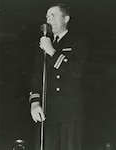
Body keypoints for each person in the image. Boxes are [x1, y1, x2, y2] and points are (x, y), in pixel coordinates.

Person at [29, 3, 88, 150]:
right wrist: (35, 102)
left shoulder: (79, 42)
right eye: (47, 17)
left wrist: (52, 52)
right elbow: (36, 75)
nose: (49, 20)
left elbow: (77, 71)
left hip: (71, 114)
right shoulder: (43, 44)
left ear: (66, 18)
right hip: (48, 112)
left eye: (53, 16)